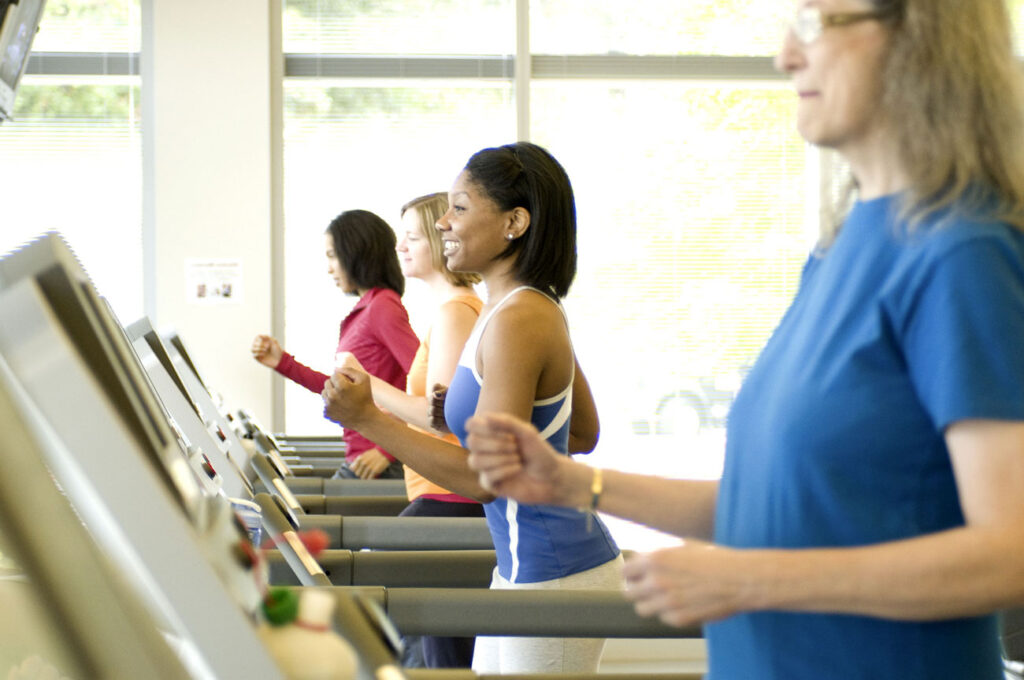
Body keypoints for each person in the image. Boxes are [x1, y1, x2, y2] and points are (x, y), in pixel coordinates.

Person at [463, 1, 1024, 679]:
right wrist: (574, 482)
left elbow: (1009, 551)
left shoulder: (961, 252)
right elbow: (773, 505)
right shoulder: (838, 249)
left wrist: (754, 580)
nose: (786, 55)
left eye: (815, 24)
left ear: (919, 36)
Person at [322, 142, 622, 673]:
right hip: (524, 561)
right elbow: (580, 432)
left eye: (459, 208)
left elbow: (486, 480)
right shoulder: (511, 306)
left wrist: (367, 418)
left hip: (555, 569)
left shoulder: (519, 317)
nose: (443, 223)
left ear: (514, 223)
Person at [336, 192, 485, 668]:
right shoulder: (449, 311)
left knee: (437, 651)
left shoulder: (457, 312)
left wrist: (368, 386)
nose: (400, 247)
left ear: (442, 241)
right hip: (437, 492)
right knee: (436, 648)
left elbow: (440, 416)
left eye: (412, 237)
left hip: (450, 496)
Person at [252, 209, 419, 479]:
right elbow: (340, 389)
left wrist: (387, 451)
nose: (329, 268)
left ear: (355, 253)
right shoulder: (366, 309)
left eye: (332, 256)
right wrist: (282, 362)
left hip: (377, 462)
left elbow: (424, 382)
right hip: (361, 456)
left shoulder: (383, 307)